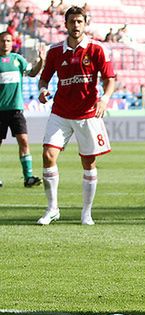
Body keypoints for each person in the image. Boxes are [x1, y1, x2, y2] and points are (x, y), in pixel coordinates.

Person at [36, 6, 116, 225]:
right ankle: (52, 208)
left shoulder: (97, 49)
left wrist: (104, 99)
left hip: (88, 113)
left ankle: (86, 212)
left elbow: (110, 78)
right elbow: (44, 79)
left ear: (85, 23)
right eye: (72, 22)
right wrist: (43, 90)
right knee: (48, 155)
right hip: (60, 112)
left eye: (79, 21)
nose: (76, 25)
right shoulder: (54, 51)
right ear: (66, 24)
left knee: (88, 163)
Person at [0, 31, 44, 188]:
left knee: (24, 141)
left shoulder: (17, 60)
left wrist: (41, 60)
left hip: (16, 110)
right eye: (3, 40)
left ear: (12, 43)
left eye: (8, 41)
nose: (5, 43)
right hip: (0, 110)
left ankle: (28, 177)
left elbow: (32, 73)